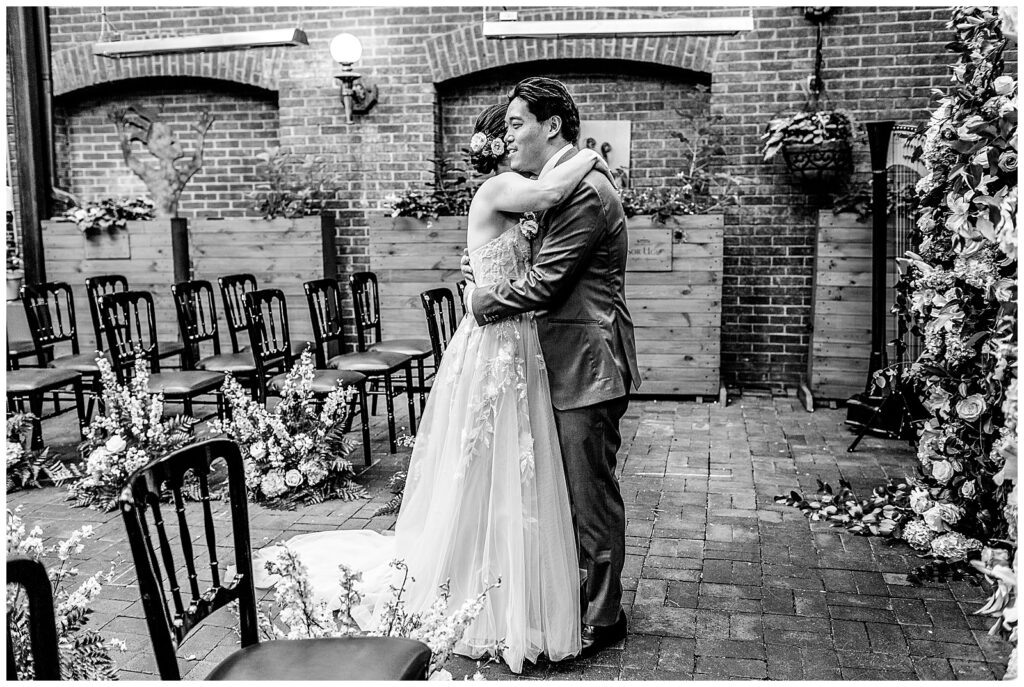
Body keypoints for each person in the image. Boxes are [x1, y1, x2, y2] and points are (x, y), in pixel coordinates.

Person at [254, 101, 607, 674]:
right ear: (496, 148)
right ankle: (470, 580)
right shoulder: (498, 190)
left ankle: (505, 576)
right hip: (494, 339)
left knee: (512, 463)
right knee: (481, 461)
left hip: (518, 339)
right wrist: (590, 155)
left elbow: (534, 231)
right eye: (509, 133)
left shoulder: (513, 189)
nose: (516, 141)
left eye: (521, 130)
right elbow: (547, 196)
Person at [462, 76, 641, 659]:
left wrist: (487, 301)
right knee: (573, 490)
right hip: (566, 357)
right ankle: (581, 597)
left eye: (517, 124)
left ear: (551, 126)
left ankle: (602, 615)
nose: (509, 135)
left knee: (591, 497)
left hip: (587, 361)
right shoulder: (564, 183)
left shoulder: (584, 190)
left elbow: (548, 280)